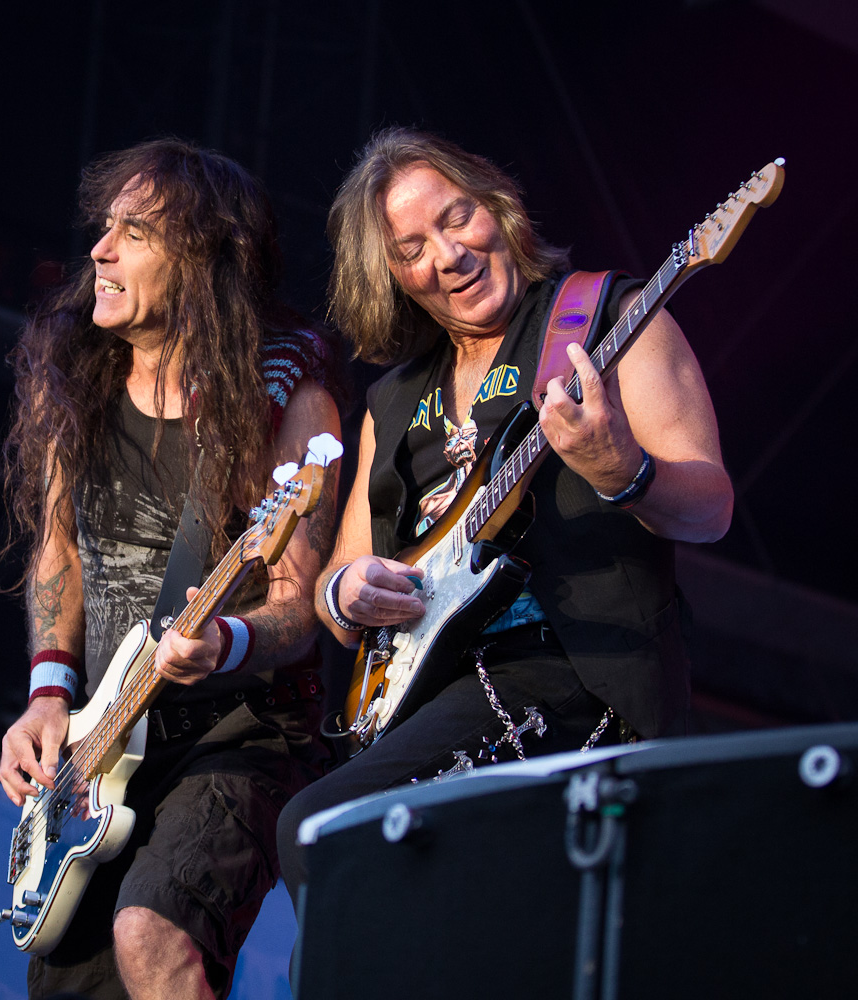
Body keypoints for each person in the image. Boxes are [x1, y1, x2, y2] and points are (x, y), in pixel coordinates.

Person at [275, 126, 733, 900]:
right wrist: (346, 592)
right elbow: (337, 588)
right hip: (427, 695)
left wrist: (624, 471)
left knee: (325, 833)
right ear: (390, 275)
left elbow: (711, 508)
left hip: (576, 677)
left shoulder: (608, 320)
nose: (448, 255)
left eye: (456, 219)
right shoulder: (392, 399)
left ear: (496, 207)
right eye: (413, 246)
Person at [0, 138, 342, 1000]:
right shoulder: (78, 380)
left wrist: (225, 641)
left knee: (152, 935)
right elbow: (59, 554)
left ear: (202, 262)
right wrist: (48, 695)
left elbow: (303, 608)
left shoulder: (287, 401)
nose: (99, 252)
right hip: (104, 745)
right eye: (105, 228)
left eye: (135, 234)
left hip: (242, 738)